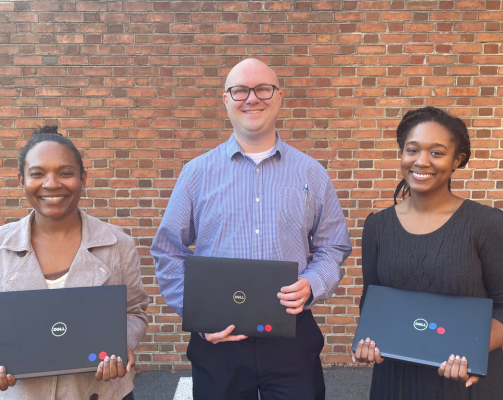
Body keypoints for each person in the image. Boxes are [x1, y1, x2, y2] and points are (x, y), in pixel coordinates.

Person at [150, 58, 352, 400]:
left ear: (279, 96)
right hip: (219, 343)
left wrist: (313, 283)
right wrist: (197, 315)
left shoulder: (311, 173)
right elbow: (169, 251)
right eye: (240, 90)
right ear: (225, 99)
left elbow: (333, 246)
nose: (251, 98)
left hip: (292, 339)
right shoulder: (197, 174)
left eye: (263, 89)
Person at [352, 106, 503, 399]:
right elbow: (373, 300)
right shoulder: (377, 226)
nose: (421, 161)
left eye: (436, 152)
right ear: (402, 153)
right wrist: (370, 341)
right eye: (412, 150)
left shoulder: (486, 224)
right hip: (397, 380)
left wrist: (469, 348)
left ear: (457, 160)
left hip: (463, 380)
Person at [0, 126, 149, 400]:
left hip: (101, 391)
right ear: (22, 180)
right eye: (37, 174)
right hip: (24, 392)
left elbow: (135, 312)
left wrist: (121, 345)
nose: (51, 184)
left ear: (82, 178)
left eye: (65, 173)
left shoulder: (118, 244)